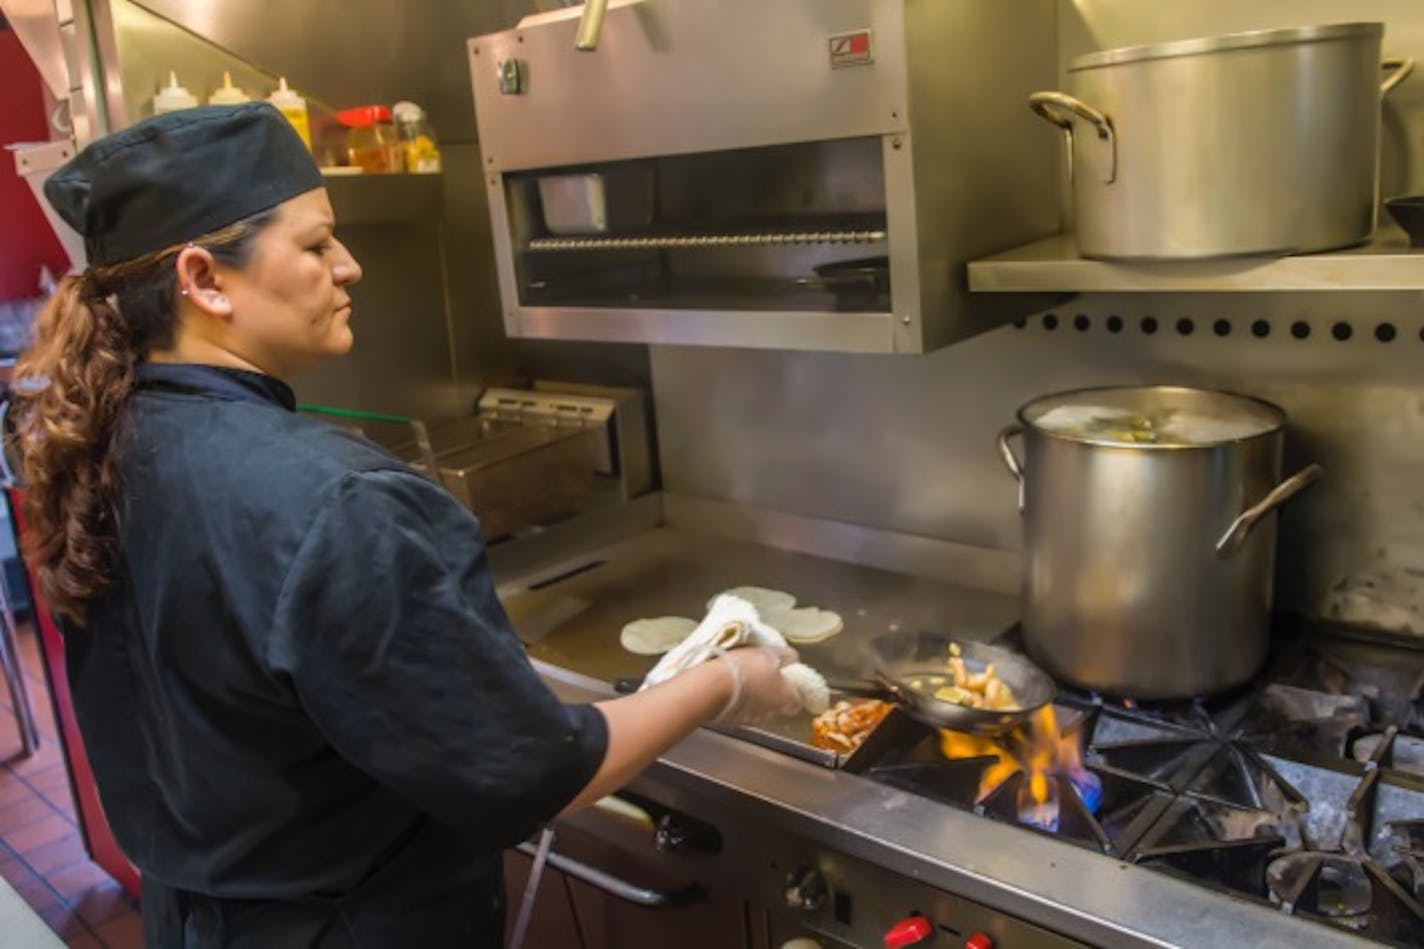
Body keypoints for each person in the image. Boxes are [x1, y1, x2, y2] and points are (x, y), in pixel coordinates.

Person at [10, 102, 804, 947]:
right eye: (316, 245)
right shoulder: (339, 503)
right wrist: (729, 681)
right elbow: (529, 775)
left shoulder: (102, 445)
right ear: (204, 280)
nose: (348, 267)